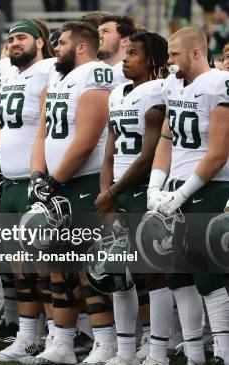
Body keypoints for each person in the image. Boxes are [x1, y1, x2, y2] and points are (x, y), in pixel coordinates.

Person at [29, 21, 115, 365]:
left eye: (61, 43)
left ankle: (106, 342)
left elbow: (88, 138)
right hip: (55, 182)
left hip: (83, 181)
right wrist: (38, 174)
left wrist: (55, 179)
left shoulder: (95, 73)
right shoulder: (55, 76)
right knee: (56, 266)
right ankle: (61, 343)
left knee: (89, 267)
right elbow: (42, 133)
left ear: (81, 46)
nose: (55, 48)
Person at [148, 26, 229, 365]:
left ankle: (224, 353)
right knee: (177, 275)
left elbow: (219, 153)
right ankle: (195, 353)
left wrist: (182, 193)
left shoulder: (218, 84)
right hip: (176, 187)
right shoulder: (172, 84)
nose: (168, 61)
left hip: (208, 187)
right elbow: (167, 138)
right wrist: (155, 185)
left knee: (207, 274)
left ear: (196, 52)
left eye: (174, 54)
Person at [0, 19, 57, 362]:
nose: (14, 43)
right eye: (10, 38)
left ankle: (58, 337)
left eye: (21, 37)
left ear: (40, 41)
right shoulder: (11, 75)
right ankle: (27, 338)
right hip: (8, 181)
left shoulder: (50, 70)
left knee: (46, 267)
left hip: (34, 182)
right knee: (17, 266)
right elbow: (1, 126)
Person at [94, 32, 170, 365]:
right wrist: (105, 193)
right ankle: (125, 351)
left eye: (134, 53)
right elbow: (109, 151)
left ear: (152, 60)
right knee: (118, 272)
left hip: (142, 190)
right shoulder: (117, 93)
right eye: (126, 52)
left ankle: (158, 351)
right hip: (117, 191)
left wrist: (112, 192)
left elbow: (149, 154)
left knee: (155, 274)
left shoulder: (157, 91)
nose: (125, 59)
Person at [97, 15, 137, 84]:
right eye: (98, 32)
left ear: (124, 41)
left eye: (105, 31)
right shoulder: (92, 70)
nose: (99, 36)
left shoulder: (135, 75)